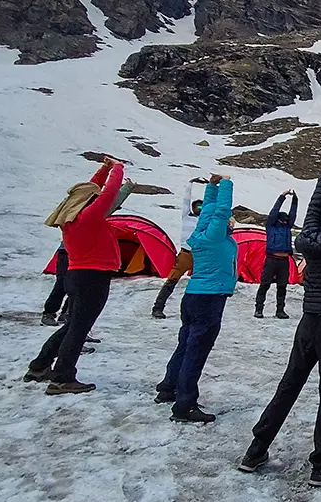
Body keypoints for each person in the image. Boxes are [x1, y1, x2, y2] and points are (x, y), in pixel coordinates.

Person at [240, 152, 321, 487]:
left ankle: (255, 450)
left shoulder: (307, 239)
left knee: (289, 385)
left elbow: (313, 211)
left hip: (309, 322)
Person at [25, 157, 126, 394]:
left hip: (78, 276)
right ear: (87, 201)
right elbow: (109, 193)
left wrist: (104, 169)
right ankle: (62, 377)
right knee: (79, 329)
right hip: (93, 278)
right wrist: (118, 168)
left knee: (73, 325)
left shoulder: (73, 219)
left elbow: (90, 190)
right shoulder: (89, 217)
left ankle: (39, 366)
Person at [154, 174, 238, 423]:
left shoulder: (201, 233)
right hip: (209, 300)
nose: (232, 224)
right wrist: (226, 183)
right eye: (230, 222)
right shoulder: (214, 236)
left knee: (185, 345)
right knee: (196, 352)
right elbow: (220, 212)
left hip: (193, 296)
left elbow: (209, 213)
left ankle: (168, 387)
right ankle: (185, 405)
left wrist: (211, 187)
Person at [151, 179, 204, 319]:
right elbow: (186, 200)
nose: (199, 209)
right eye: (197, 206)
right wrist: (190, 184)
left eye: (202, 207)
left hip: (200, 255)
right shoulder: (186, 216)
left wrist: (213, 187)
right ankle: (158, 307)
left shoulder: (206, 221)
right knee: (172, 280)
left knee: (199, 284)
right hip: (185, 254)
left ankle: (195, 311)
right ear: (193, 207)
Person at [254, 190, 298, 319]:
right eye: (283, 220)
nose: (285, 221)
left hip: (284, 260)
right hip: (271, 259)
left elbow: (293, 213)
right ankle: (259, 309)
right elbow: (274, 211)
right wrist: (282, 196)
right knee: (265, 284)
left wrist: (295, 200)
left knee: (282, 286)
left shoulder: (288, 227)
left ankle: (280, 310)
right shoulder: (271, 226)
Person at [42, 241, 70, 326]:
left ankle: (67, 313)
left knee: (78, 286)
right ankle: (49, 313)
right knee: (62, 285)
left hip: (86, 254)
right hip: (67, 252)